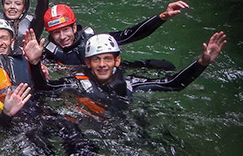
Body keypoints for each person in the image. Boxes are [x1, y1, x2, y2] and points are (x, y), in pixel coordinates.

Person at [26, 30, 227, 108]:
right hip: (93, 124)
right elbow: (46, 89)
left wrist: (202, 62)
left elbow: (173, 84)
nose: (102, 64)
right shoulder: (76, 81)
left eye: (107, 59)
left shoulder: (131, 83)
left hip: (126, 121)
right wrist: (35, 63)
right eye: (96, 60)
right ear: (88, 63)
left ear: (117, 61)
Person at [41, 1, 190, 66]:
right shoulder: (47, 53)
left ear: (74, 28)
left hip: (104, 71)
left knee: (162, 65)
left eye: (65, 30)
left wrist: (161, 17)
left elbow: (129, 35)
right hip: (79, 82)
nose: (62, 37)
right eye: (56, 33)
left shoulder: (93, 40)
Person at [0, 18, 45, 100]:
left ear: (12, 41)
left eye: (4, 38)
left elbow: (44, 91)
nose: (0, 43)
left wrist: (35, 62)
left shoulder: (30, 64)